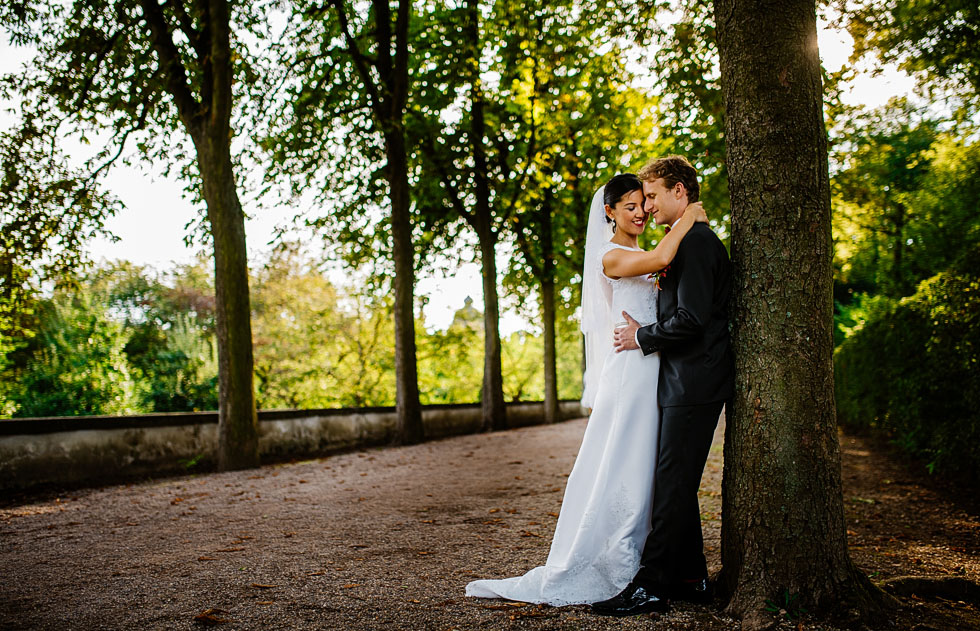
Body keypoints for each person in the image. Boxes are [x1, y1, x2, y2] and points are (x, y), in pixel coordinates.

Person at [464, 172, 707, 606]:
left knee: (654, 464)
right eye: (629, 206)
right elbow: (660, 259)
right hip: (631, 370)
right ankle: (618, 559)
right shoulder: (610, 256)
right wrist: (689, 218)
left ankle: (661, 561)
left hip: (654, 366)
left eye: (642, 204)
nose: (640, 213)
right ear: (609, 212)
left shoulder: (641, 250)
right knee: (627, 458)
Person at [592, 155, 734, 616]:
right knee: (674, 484)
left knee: (671, 485)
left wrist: (641, 336)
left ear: (680, 191)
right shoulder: (680, 242)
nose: (647, 207)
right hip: (680, 380)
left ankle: (651, 584)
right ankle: (691, 578)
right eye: (638, 200)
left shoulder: (693, 244)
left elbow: (691, 321)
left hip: (694, 381)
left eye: (651, 196)